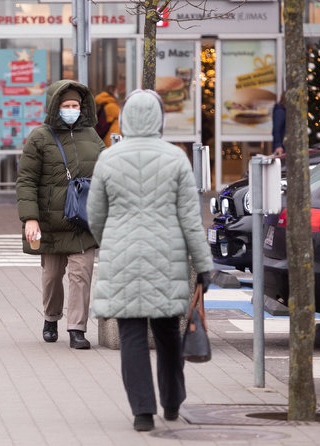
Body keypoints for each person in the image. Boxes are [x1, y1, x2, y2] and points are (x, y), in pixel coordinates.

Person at [86, 90, 214, 431]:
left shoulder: (108, 159)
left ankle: (142, 412)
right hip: (166, 258)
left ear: (125, 118)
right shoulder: (175, 159)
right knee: (168, 334)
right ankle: (172, 402)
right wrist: (204, 265)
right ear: (159, 119)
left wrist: (109, 241)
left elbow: (95, 215)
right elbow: (190, 219)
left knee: (130, 337)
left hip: (122, 256)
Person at [16, 80, 106, 350]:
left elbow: (108, 172)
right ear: (55, 107)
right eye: (66, 105)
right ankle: (51, 317)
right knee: (52, 276)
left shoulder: (92, 136)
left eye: (75, 105)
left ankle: (77, 328)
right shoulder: (39, 137)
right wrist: (30, 218)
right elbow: (26, 180)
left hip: (83, 222)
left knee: (81, 275)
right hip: (51, 222)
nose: (71, 110)